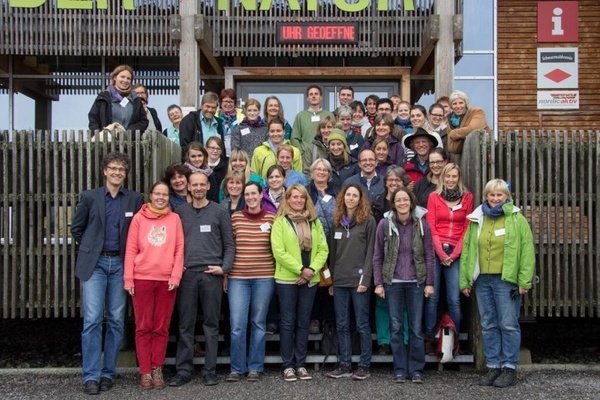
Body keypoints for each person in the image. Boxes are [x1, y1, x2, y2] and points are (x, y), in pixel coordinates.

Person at [71, 152, 144, 395]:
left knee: (116, 320)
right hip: (96, 265)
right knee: (92, 320)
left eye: (121, 169)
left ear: (126, 173)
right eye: (112, 168)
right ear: (104, 171)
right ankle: (91, 375)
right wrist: (91, 248)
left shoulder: (134, 199)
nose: (117, 172)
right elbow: (77, 228)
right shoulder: (90, 197)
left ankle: (108, 373)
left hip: (121, 265)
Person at [460, 179, 534, 388]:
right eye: (491, 195)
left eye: (499, 195)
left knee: (508, 324)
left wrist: (524, 281)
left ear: (507, 197)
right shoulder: (477, 218)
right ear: (486, 196)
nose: (495, 198)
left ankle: (509, 367)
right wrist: (465, 279)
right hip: (482, 280)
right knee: (488, 324)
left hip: (506, 280)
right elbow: (468, 250)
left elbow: (527, 251)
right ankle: (494, 366)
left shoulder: (516, 219)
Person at [168, 171, 235, 387]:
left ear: (208, 186)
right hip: (187, 275)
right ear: (188, 187)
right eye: (194, 184)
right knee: (185, 325)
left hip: (211, 275)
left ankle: (210, 370)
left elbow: (230, 244)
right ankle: (184, 370)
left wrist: (224, 268)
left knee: (211, 324)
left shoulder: (219, 212)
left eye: (202, 184)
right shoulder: (179, 213)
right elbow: (172, 245)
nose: (198, 188)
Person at [124, 181, 184, 390]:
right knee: (143, 327)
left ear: (169, 197)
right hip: (142, 278)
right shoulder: (139, 219)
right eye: (157, 194)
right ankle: (145, 371)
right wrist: (128, 278)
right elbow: (131, 250)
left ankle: (157, 368)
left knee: (161, 327)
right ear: (150, 195)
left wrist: (175, 276)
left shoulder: (175, 219)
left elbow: (179, 250)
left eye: (165, 194)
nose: (160, 198)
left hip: (166, 280)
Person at [372, 187, 435, 384]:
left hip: (416, 282)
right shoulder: (384, 224)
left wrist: (429, 282)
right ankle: (399, 369)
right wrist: (378, 283)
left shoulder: (421, 224)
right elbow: (377, 256)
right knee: (396, 327)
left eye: (405, 199)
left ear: (411, 201)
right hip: (394, 282)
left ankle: (416, 370)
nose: (401, 203)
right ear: (393, 203)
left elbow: (429, 256)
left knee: (416, 328)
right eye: (398, 200)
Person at [271, 184, 329, 382]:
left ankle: (301, 364)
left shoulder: (314, 222)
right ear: (287, 199)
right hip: (287, 279)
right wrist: (300, 270)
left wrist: (311, 271)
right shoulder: (280, 222)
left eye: (301, 197)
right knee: (287, 323)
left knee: (303, 323)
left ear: (306, 200)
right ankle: (288, 366)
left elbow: (323, 249)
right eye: (294, 197)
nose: (297, 200)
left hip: (310, 280)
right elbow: (279, 252)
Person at [225, 182, 277, 383]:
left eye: (253, 193)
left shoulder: (272, 218)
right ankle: (237, 368)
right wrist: (225, 274)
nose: (250, 197)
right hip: (238, 278)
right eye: (247, 194)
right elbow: (229, 247)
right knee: (237, 324)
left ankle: (255, 367)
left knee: (258, 323)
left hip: (264, 277)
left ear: (260, 195)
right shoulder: (235, 218)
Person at [326, 184, 376, 381]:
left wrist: (366, 279)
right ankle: (345, 363)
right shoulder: (337, 222)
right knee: (342, 324)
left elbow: (372, 251)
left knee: (362, 324)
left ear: (360, 198)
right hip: (339, 281)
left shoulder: (369, 221)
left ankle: (364, 365)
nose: (351, 198)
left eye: (355, 195)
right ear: (343, 197)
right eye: (348, 194)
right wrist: (331, 280)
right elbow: (333, 253)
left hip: (359, 281)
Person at [424, 164, 473, 347]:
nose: (451, 180)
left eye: (454, 176)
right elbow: (431, 226)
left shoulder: (467, 198)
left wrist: (454, 254)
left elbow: (467, 228)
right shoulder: (433, 198)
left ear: (459, 178)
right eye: (448, 176)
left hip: (456, 251)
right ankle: (429, 338)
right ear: (442, 178)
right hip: (437, 251)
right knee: (433, 297)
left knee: (454, 298)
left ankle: (455, 340)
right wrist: (441, 253)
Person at [88, 65, 148, 135]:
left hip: (130, 143)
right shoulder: (103, 98)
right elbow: (93, 118)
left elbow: (143, 121)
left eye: (128, 78)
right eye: (122, 77)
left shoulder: (135, 100)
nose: (125, 80)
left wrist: (130, 133)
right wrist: (98, 136)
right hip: (107, 142)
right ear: (115, 77)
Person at [291, 85, 335, 157]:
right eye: (311, 94)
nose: (313, 96)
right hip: (306, 156)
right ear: (307, 98)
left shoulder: (329, 115)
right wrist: (301, 152)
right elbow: (294, 138)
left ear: (321, 97)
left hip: (326, 155)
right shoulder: (300, 116)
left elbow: (335, 134)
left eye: (316, 94)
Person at [179, 91, 224, 159]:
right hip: (196, 165)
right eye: (207, 106)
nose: (210, 110)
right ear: (201, 105)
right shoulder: (189, 120)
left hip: (216, 165)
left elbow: (222, 147)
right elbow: (185, 147)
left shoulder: (219, 124)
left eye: (213, 107)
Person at [447, 90, 491, 155]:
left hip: (484, 153)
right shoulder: (450, 121)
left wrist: (453, 133)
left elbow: (474, 129)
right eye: (454, 104)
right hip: (466, 157)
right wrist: (464, 133)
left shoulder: (477, 112)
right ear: (451, 106)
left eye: (461, 103)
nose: (458, 106)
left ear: (466, 103)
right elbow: (452, 148)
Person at [215, 88, 245, 154]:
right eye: (225, 101)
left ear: (235, 103)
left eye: (231, 101)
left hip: (236, 155)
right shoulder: (215, 117)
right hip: (218, 154)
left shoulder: (242, 118)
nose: (228, 104)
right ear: (220, 102)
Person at [206, 136, 228, 202]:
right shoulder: (201, 165)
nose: (215, 151)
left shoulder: (227, 164)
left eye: (218, 149)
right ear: (206, 148)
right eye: (212, 148)